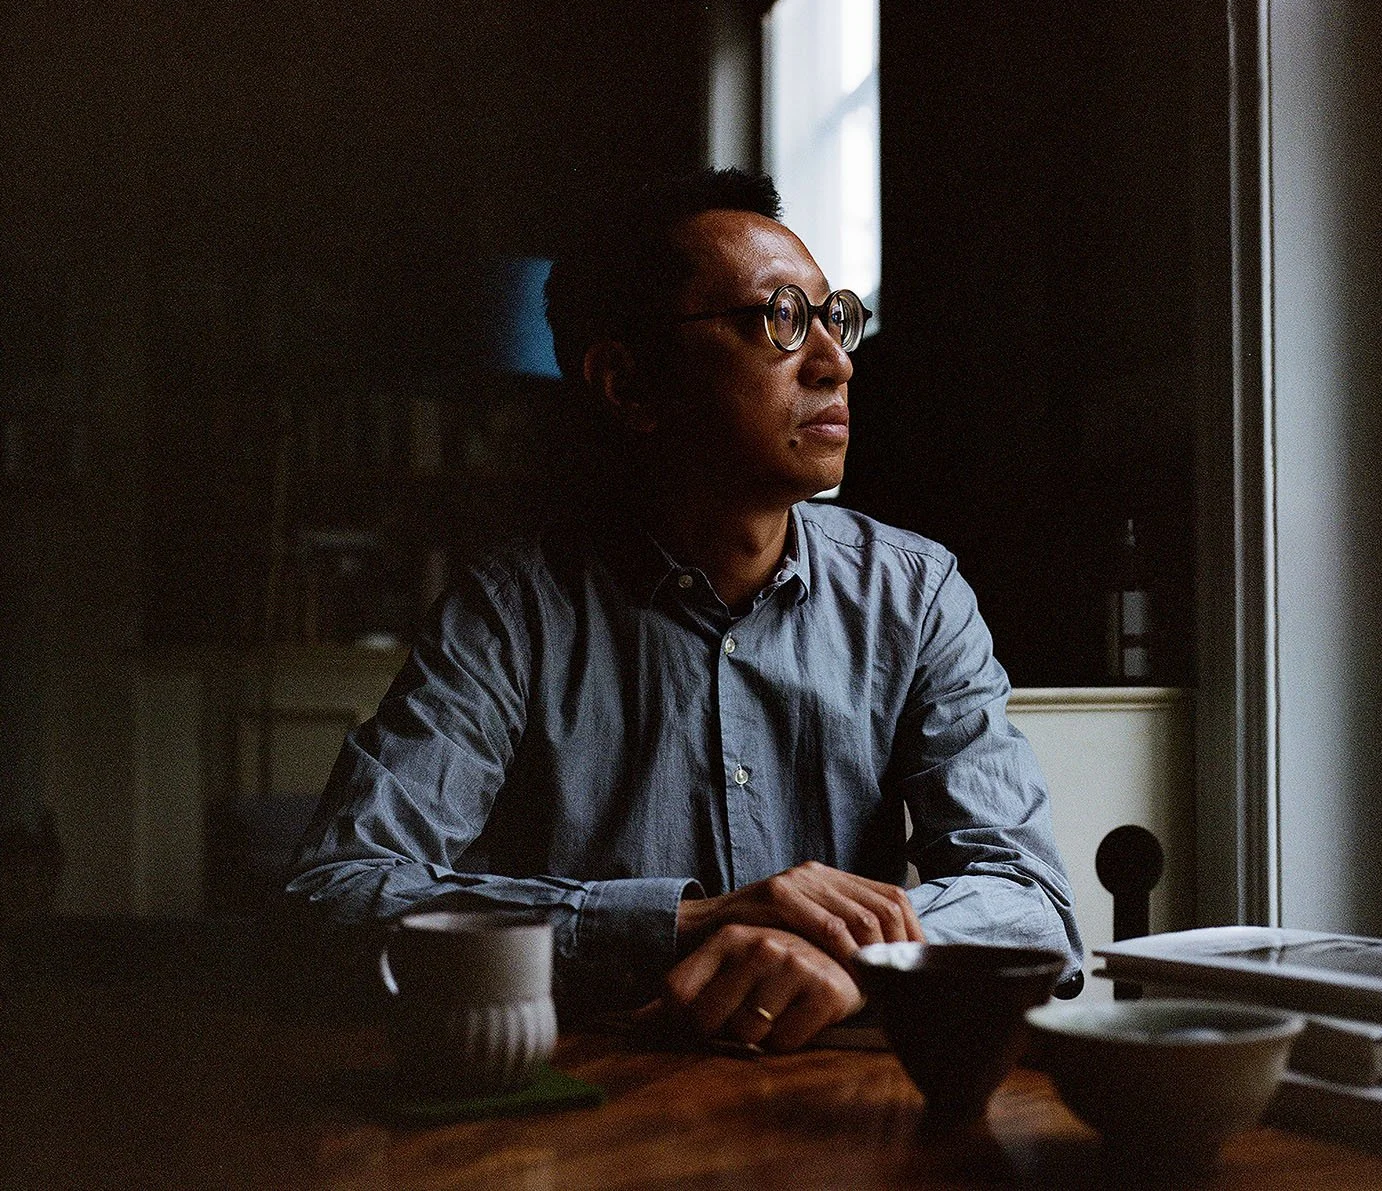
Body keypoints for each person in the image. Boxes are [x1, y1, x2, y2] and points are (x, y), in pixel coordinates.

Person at [287, 168, 1082, 1052]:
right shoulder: (514, 614)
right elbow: (334, 895)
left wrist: (845, 955)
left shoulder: (913, 595)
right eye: (777, 318)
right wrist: (683, 923)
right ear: (629, 385)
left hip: (839, 1112)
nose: (836, 360)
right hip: (589, 1112)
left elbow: (1032, 902)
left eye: (832, 316)